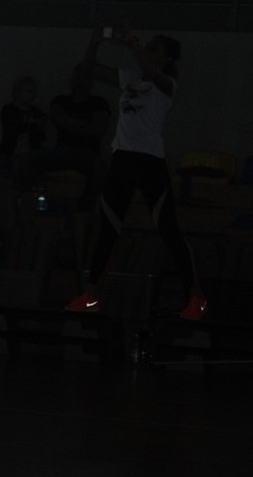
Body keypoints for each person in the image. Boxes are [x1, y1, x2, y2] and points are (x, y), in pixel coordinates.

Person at [66, 25, 205, 320]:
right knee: (108, 228)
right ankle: (90, 295)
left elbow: (151, 71)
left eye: (155, 48)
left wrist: (134, 45)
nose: (149, 51)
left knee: (168, 230)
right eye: (148, 46)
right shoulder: (129, 78)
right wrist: (94, 42)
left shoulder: (167, 85)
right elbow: (89, 69)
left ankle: (195, 297)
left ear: (167, 59)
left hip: (150, 161)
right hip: (123, 160)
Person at [13, 63, 110, 206]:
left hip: (87, 153)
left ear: (91, 82)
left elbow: (98, 130)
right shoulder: (60, 100)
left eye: (85, 78)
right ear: (71, 80)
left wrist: (70, 123)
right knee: (25, 160)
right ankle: (30, 205)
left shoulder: (99, 103)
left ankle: (83, 210)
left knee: (101, 169)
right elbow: (58, 119)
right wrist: (85, 124)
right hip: (62, 151)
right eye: (77, 77)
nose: (81, 82)